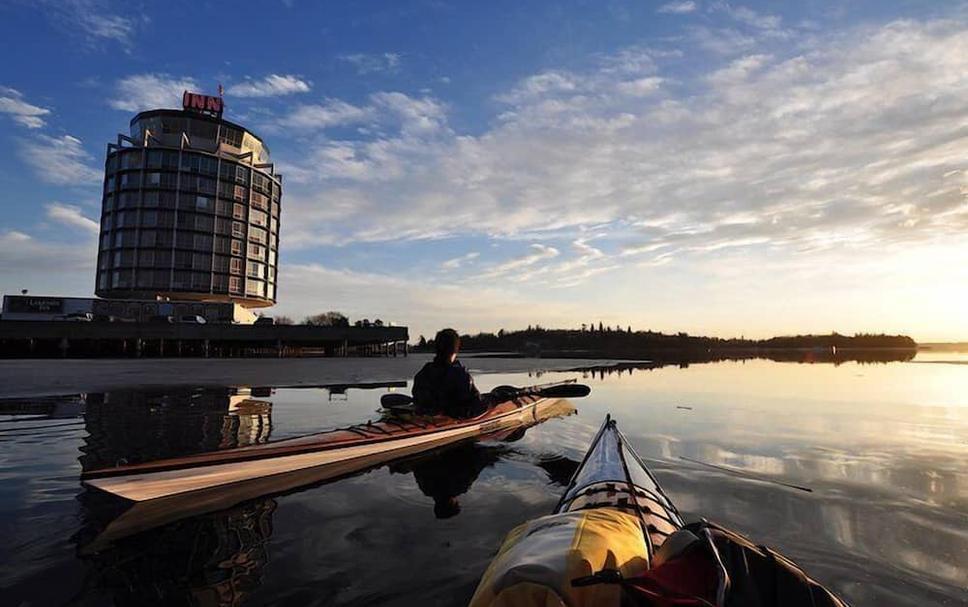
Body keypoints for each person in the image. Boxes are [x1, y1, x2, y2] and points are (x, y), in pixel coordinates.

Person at [412, 328, 485, 417]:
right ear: (455, 349)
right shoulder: (460, 375)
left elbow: (417, 397)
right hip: (449, 417)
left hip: (428, 414)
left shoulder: (424, 372)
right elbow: (476, 403)